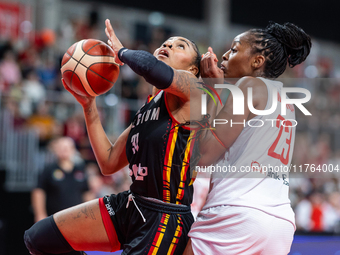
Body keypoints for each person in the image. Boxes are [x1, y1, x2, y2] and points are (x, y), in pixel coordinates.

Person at [24, 19, 203, 255]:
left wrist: (122, 52)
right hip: (132, 204)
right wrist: (89, 106)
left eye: (180, 46)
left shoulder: (195, 90)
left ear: (192, 69)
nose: (168, 46)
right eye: (166, 43)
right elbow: (108, 162)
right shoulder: (148, 109)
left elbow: (151, 69)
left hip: (165, 218)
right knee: (37, 239)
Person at [184, 22, 312, 255]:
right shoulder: (285, 99)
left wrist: (209, 88)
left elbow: (203, 156)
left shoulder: (248, 85)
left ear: (257, 62)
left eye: (234, 49)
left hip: (238, 213)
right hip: (280, 222)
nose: (224, 54)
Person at [31, 136, 92, 223]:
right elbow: (39, 192)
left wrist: (90, 214)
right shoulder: (49, 170)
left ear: (73, 149)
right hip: (54, 220)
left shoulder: (80, 170)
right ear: (56, 150)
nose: (64, 150)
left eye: (67, 147)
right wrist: (40, 214)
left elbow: (87, 193)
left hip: (78, 219)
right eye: (61, 147)